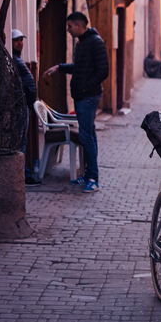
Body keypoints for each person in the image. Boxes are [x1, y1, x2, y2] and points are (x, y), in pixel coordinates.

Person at [42, 12, 109, 193]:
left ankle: (93, 178)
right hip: (82, 97)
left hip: (88, 97)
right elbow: (79, 68)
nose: (68, 30)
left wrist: (86, 87)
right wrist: (59, 67)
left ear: (79, 26)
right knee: (89, 136)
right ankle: (88, 175)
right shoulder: (83, 43)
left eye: (70, 26)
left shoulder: (95, 42)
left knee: (86, 137)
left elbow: (104, 71)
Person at [12, 29, 39, 186]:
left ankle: (23, 173)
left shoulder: (18, 60)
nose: (20, 43)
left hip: (24, 104)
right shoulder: (14, 60)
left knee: (22, 139)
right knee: (20, 140)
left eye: (21, 40)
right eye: (17, 40)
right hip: (20, 105)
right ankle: (21, 175)